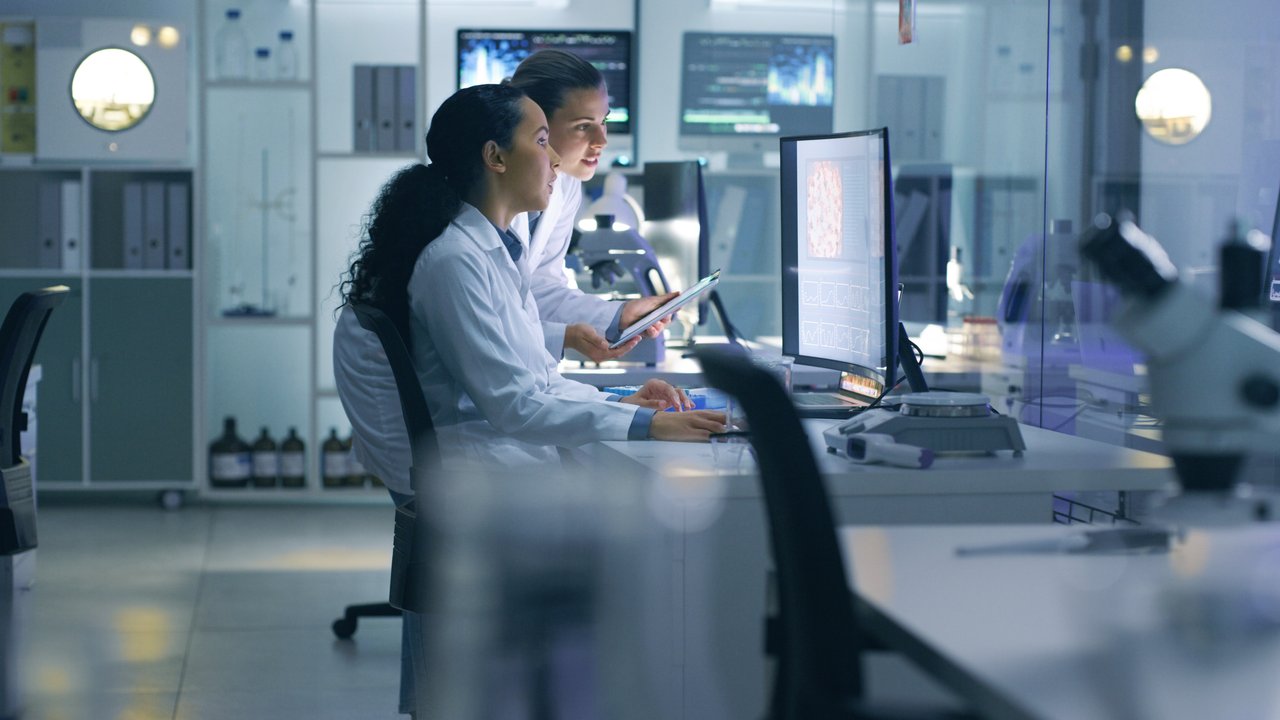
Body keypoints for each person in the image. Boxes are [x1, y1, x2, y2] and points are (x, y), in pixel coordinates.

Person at [506, 49, 675, 363]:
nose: (602, 141)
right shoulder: (483, 206)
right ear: (535, 125)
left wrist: (619, 314)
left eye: (604, 121)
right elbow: (494, 323)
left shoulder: (566, 183)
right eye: (584, 126)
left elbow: (540, 288)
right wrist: (567, 338)